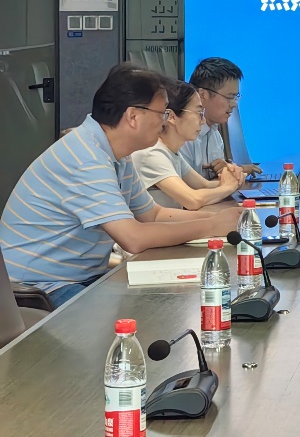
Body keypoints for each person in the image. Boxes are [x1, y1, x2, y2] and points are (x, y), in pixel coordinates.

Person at [0, 63, 242, 308]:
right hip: (36, 287)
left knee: (163, 301)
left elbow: (153, 214)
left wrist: (219, 221)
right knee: (145, 313)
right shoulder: (86, 157)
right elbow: (133, 238)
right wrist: (211, 226)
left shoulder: (116, 153)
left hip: (78, 276)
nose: (164, 123)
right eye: (161, 113)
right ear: (133, 117)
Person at [132, 80, 245, 210]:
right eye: (199, 113)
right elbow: (192, 199)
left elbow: (204, 185)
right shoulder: (152, 153)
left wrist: (234, 178)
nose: (203, 121)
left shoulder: (171, 152)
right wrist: (228, 187)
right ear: (171, 117)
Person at [181, 57, 261, 177]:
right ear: (202, 95)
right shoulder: (183, 136)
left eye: (236, 97)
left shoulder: (215, 134)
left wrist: (229, 171)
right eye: (229, 97)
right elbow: (186, 187)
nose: (234, 104)